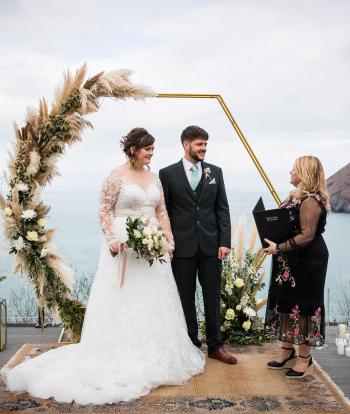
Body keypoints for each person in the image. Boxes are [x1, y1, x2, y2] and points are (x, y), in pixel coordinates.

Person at [1, 128, 205, 404]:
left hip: (152, 247)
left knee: (154, 300)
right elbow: (104, 211)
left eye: (153, 149)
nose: (151, 153)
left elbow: (161, 212)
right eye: (148, 149)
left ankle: (155, 350)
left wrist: (168, 240)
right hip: (124, 245)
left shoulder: (154, 178)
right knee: (124, 298)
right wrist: (112, 238)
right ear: (134, 149)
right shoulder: (115, 176)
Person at [159, 125, 237, 364]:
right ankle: (190, 343)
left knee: (212, 296)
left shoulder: (215, 172)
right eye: (199, 144)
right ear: (186, 144)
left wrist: (225, 242)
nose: (204, 149)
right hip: (182, 248)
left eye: (205, 144)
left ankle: (215, 346)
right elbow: (164, 212)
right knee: (185, 297)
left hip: (212, 247)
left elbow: (222, 209)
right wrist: (168, 243)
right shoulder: (167, 174)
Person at [264, 155, 329, 379]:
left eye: (294, 169)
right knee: (286, 303)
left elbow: (307, 236)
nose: (290, 172)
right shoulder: (296, 196)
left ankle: (304, 358)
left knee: (303, 307)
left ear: (304, 173)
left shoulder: (311, 200)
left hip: (307, 261)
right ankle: (286, 350)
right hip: (289, 259)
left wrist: (279, 248)